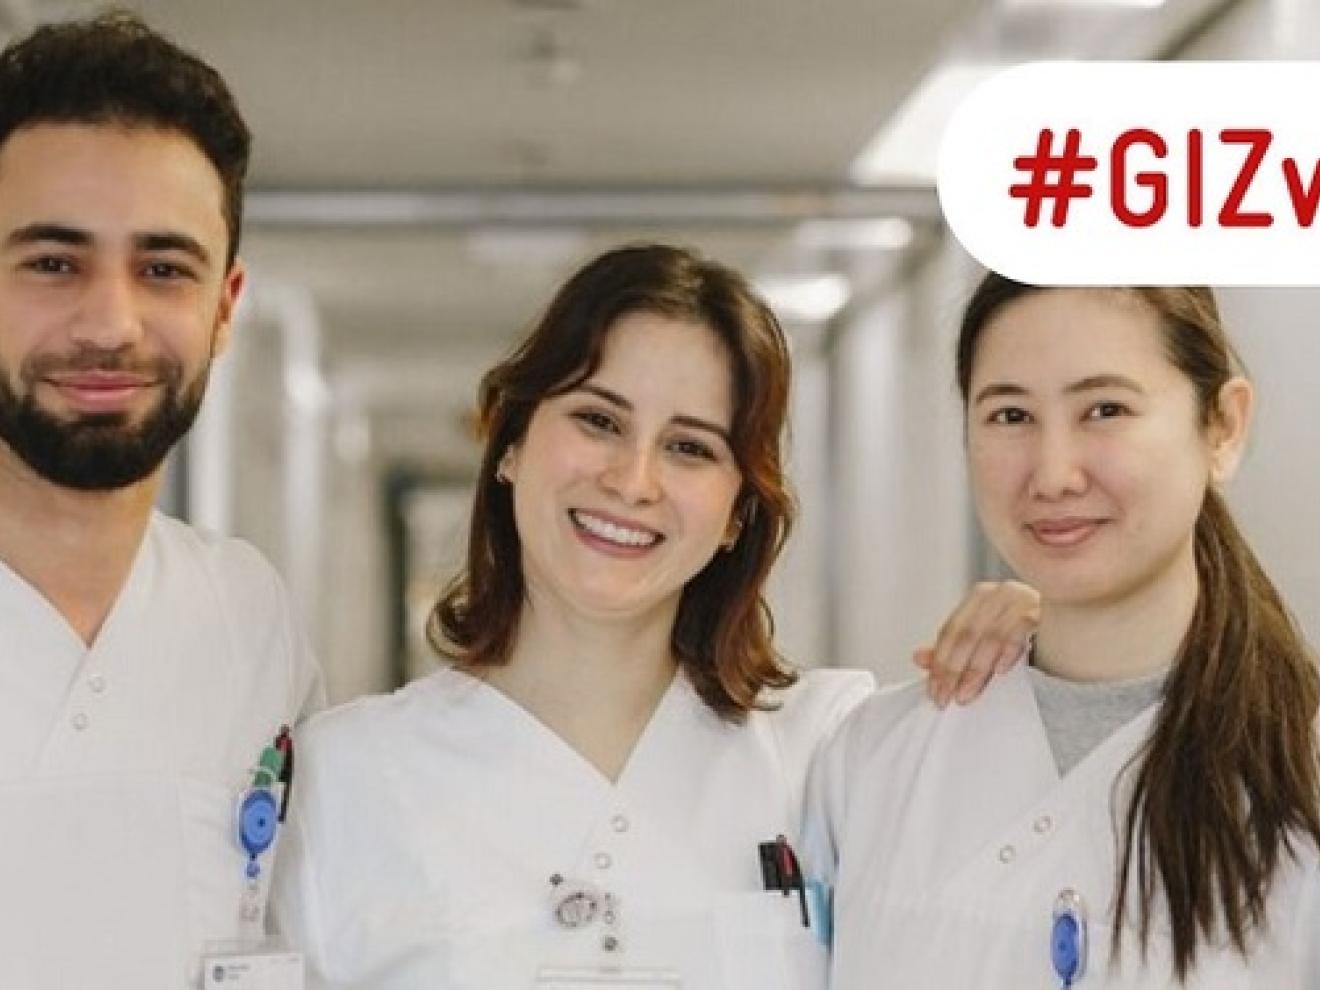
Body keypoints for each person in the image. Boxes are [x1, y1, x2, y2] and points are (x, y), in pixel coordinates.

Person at [271, 243, 1038, 989]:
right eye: (599, 421)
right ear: (510, 445)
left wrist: (1047, 635)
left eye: (690, 448)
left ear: (738, 511)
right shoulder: (347, 777)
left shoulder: (827, 754)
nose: (633, 481)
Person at [808, 277, 1320, 987]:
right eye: (1010, 415)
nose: (1052, 474)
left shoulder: (1299, 776)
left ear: (1223, 427)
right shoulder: (871, 761)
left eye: (1105, 409)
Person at [0, 13, 322, 987]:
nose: (110, 322)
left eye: (163, 268)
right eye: (53, 262)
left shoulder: (246, 613)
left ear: (223, 308)